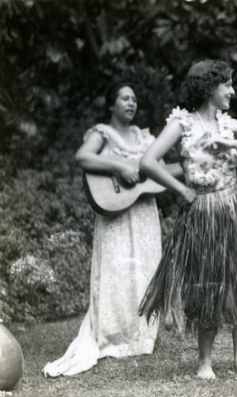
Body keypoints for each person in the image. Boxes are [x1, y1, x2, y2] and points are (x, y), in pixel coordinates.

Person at [138, 60, 237, 379]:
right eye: (227, 84)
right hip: (201, 212)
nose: (232, 90)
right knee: (208, 285)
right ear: (208, 87)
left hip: (233, 208)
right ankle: (205, 362)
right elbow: (148, 161)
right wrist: (181, 189)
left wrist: (231, 143)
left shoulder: (231, 125)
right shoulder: (181, 124)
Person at [43, 83, 161, 377]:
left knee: (144, 268)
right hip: (115, 211)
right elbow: (83, 157)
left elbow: (158, 168)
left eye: (134, 99)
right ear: (112, 104)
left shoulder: (145, 136)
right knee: (116, 270)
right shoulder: (102, 133)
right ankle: (113, 336)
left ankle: (140, 336)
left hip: (143, 211)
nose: (131, 103)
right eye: (124, 98)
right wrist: (119, 166)